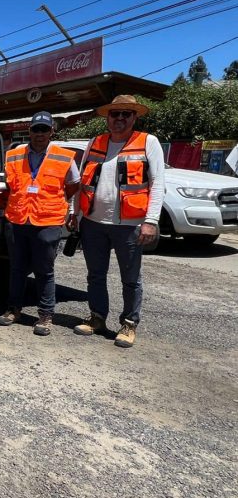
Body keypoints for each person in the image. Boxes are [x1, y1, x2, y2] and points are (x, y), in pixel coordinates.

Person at [70, 95, 165, 348]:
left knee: (131, 279)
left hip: (130, 225)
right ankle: (97, 318)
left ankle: (129, 324)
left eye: (126, 114)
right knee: (95, 275)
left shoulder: (148, 142)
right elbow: (82, 183)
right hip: (93, 222)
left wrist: (151, 221)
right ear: (108, 117)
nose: (120, 118)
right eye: (115, 114)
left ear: (134, 117)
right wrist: (75, 214)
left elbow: (157, 184)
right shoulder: (95, 142)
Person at [0, 111, 79, 335]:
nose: (40, 134)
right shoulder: (13, 154)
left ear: (52, 131)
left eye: (44, 129)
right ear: (29, 131)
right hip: (17, 219)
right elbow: (11, 186)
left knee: (45, 270)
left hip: (48, 221)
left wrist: (60, 206)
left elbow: (72, 186)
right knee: (17, 268)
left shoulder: (64, 156)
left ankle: (45, 315)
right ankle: (13, 309)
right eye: (36, 129)